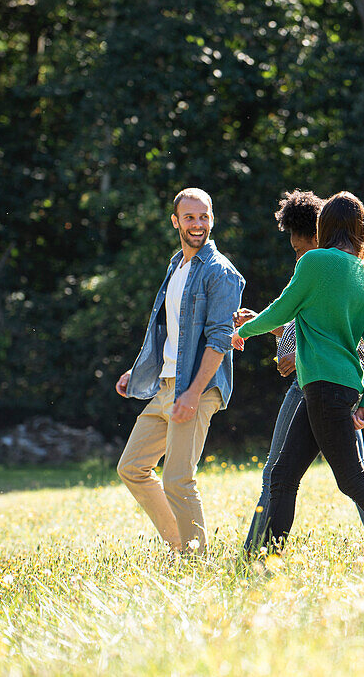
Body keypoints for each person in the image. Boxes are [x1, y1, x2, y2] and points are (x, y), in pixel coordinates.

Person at [234, 191, 364, 551]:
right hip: (339, 388)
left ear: (324, 227)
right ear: (360, 230)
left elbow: (282, 310)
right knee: (284, 476)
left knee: (352, 479)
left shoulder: (314, 262)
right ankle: (264, 558)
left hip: (323, 387)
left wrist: (241, 332)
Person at [115, 188, 245, 553]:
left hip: (196, 387)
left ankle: (194, 560)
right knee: (132, 467)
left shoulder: (221, 273)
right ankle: (179, 545)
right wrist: (138, 370)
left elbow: (219, 339)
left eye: (204, 216)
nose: (197, 224)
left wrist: (192, 393)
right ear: (176, 222)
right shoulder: (178, 265)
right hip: (166, 385)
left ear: (212, 218)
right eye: (189, 217)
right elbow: (169, 329)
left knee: (177, 479)